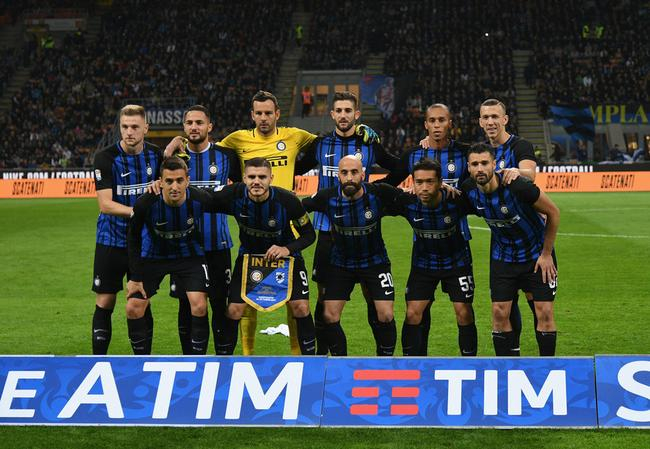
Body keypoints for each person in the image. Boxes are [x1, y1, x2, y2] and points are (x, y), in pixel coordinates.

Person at [165, 90, 378, 356]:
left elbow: (329, 141)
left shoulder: (294, 136)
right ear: (252, 115)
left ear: (277, 114)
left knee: (296, 303)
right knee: (241, 304)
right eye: (259, 113)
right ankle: (246, 356)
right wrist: (179, 142)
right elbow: (205, 146)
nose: (264, 118)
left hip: (286, 228)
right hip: (251, 228)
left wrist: (359, 132)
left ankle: (300, 359)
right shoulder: (236, 140)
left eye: (268, 113)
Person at [295, 91, 399, 355]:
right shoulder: (320, 145)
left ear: (357, 114)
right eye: (339, 111)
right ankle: (323, 357)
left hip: (364, 235)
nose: (343, 115)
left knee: (372, 298)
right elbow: (295, 170)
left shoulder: (369, 144)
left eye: (348, 111)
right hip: (328, 234)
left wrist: (378, 194)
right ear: (332, 114)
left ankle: (382, 359)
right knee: (324, 300)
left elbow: (398, 167)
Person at [189, 157, 317, 355]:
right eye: (252, 177)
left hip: (286, 259)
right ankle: (225, 361)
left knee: (300, 307)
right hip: (249, 257)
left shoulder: (288, 201)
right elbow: (203, 197)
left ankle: (310, 361)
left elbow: (309, 235)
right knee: (234, 310)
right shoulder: (233, 195)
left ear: (271, 178)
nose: (256, 181)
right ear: (244, 178)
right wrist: (173, 186)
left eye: (262, 177)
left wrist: (286, 249)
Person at [384, 103, 472, 355]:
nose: (437, 125)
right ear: (425, 125)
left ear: (450, 123)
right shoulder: (413, 155)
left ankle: (470, 363)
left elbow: (479, 182)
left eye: (441, 120)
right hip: (423, 244)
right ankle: (415, 363)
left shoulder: (464, 153)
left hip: (456, 240)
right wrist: (403, 192)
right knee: (417, 310)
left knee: (464, 311)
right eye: (432, 121)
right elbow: (388, 184)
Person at [462, 144, 560, 356]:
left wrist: (546, 254)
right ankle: (506, 367)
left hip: (536, 257)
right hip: (504, 258)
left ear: (494, 165)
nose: (480, 169)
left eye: (485, 163)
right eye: (475, 164)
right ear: (468, 167)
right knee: (499, 313)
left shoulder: (517, 186)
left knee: (544, 312)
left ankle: (547, 366)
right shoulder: (468, 190)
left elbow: (553, 212)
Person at [302, 156, 398, 356]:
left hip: (375, 262)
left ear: (363, 174)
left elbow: (411, 198)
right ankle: (341, 362)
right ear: (338, 175)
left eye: (354, 172)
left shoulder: (379, 193)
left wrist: (439, 189)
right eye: (344, 173)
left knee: (386, 314)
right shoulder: (327, 197)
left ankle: (384, 362)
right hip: (341, 264)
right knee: (329, 315)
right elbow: (298, 207)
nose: (349, 177)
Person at [170, 105, 241, 355]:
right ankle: (191, 360)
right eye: (189, 123)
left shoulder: (226, 156)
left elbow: (241, 191)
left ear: (209, 126)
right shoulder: (175, 159)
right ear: (184, 127)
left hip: (218, 245)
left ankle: (223, 360)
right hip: (184, 248)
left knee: (220, 305)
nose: (194, 127)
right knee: (186, 306)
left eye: (199, 122)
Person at [91, 104, 161, 355]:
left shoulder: (156, 155)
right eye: (124, 127)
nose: (129, 132)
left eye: (134, 127)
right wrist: (137, 212)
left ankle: (143, 362)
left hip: (143, 242)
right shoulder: (105, 158)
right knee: (105, 301)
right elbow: (106, 205)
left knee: (140, 301)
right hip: (111, 239)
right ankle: (97, 362)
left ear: (146, 128)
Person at [126, 157, 211, 355]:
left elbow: (231, 203)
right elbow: (133, 238)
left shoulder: (201, 198)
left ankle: (198, 362)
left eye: (179, 180)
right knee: (133, 307)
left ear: (187, 180)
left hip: (190, 256)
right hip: (154, 257)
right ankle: (141, 362)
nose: (174, 186)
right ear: (160, 182)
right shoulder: (146, 202)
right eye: (169, 181)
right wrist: (135, 277)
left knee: (199, 305)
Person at [479, 98, 538, 356]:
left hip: (529, 238)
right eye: (486, 117)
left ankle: (546, 363)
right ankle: (512, 357)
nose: (491, 121)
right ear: (480, 122)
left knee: (538, 305)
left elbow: (530, 173)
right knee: (505, 305)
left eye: (495, 116)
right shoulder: (481, 152)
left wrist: (517, 172)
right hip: (501, 243)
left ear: (505, 119)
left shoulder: (520, 145)